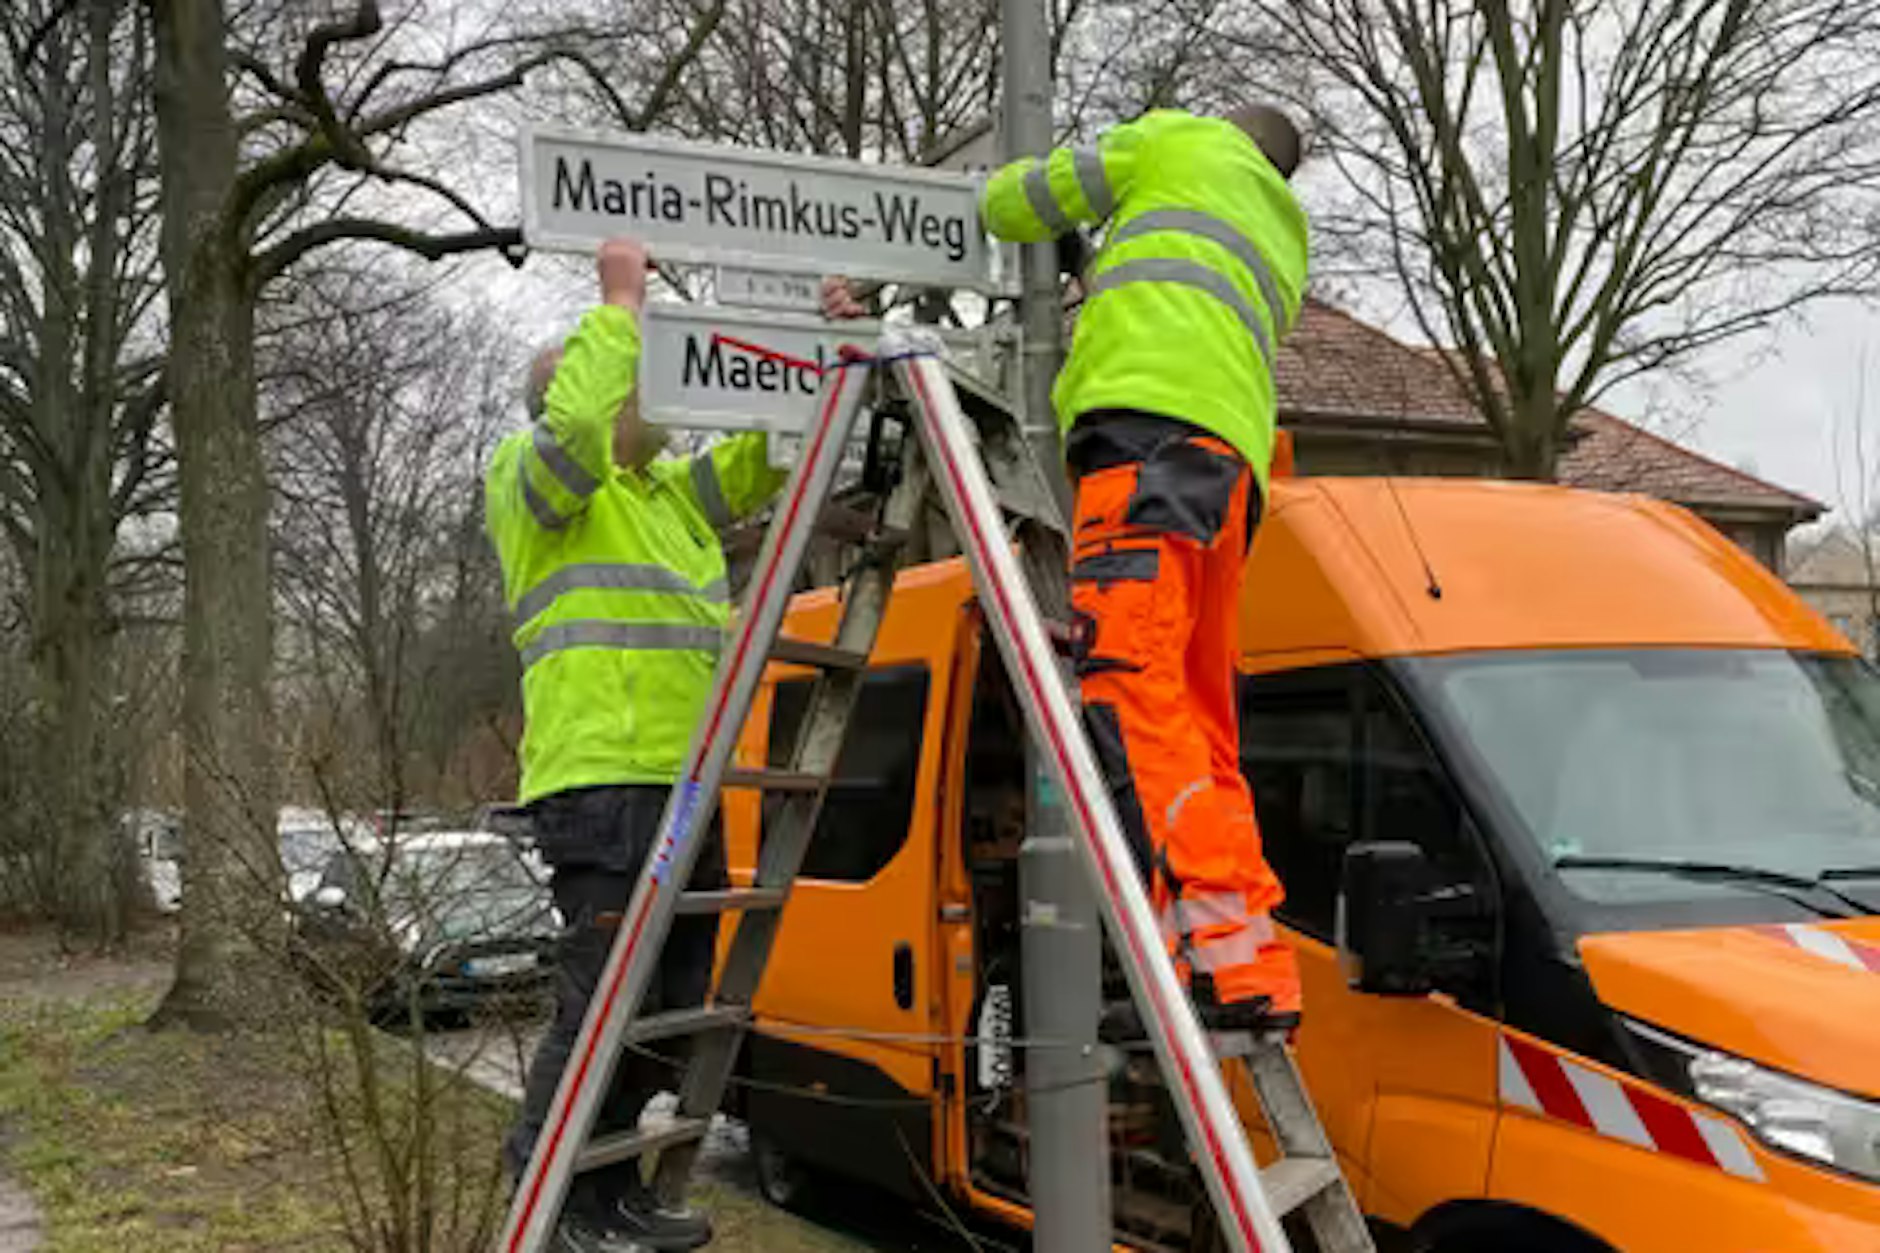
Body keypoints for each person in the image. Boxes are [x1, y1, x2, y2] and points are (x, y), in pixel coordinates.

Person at [829, 105, 1309, 1029]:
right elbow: (1141, 282)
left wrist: (995, 195)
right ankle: (1253, 967)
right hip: (1225, 472)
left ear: (1225, 128)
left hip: (1142, 438)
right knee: (1204, 719)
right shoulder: (1279, 230)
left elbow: (1022, 202)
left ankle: (1204, 965)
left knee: (1130, 689)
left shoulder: (1179, 141)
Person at [488, 236, 786, 1253]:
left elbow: (762, 457)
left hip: (682, 784)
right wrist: (620, 302)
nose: (656, 402)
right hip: (605, 781)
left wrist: (828, 341)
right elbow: (574, 425)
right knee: (603, 1000)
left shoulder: (664, 498)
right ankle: (552, 1190)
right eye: (637, 382)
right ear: (600, 390)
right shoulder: (539, 480)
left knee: (671, 1004)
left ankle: (608, 1188)